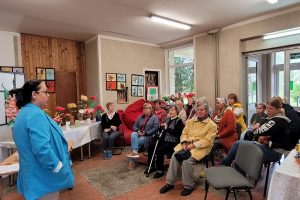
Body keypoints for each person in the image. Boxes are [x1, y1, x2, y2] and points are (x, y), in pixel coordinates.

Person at [11, 80, 74, 200]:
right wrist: (58, 167)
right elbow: (42, 149)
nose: (48, 95)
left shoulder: (24, 112)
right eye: (45, 92)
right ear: (34, 94)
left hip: (32, 175)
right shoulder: (35, 114)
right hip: (42, 177)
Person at [159, 104, 217, 196]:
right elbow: (184, 133)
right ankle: (169, 183)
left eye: (202, 110)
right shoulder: (190, 121)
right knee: (174, 156)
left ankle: (188, 186)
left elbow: (207, 141)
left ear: (206, 111)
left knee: (187, 161)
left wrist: (193, 145)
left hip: (200, 148)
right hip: (186, 145)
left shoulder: (212, 125)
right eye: (198, 110)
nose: (199, 112)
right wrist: (184, 142)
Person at [222, 97, 291, 166]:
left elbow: (258, 132)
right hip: (269, 147)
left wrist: (252, 132)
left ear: (278, 109)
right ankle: (235, 167)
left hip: (274, 152)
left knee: (239, 144)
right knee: (240, 146)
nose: (268, 111)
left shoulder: (278, 120)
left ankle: (226, 163)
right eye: (267, 108)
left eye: (271, 108)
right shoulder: (273, 118)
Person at [146, 105, 185, 178]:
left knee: (160, 150)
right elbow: (163, 132)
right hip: (164, 140)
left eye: (173, 110)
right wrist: (161, 128)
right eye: (170, 110)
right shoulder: (168, 120)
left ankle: (160, 170)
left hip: (173, 142)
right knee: (151, 145)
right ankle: (151, 166)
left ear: (177, 112)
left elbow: (177, 133)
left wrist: (167, 128)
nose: (171, 111)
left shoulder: (179, 121)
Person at [127, 103, 160, 170]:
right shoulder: (140, 117)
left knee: (137, 141)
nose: (144, 110)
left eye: (146, 109)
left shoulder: (154, 118)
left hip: (149, 136)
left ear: (150, 109)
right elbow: (134, 126)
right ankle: (135, 152)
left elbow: (156, 128)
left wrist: (146, 133)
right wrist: (138, 130)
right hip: (139, 133)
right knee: (133, 134)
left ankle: (132, 161)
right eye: (144, 109)